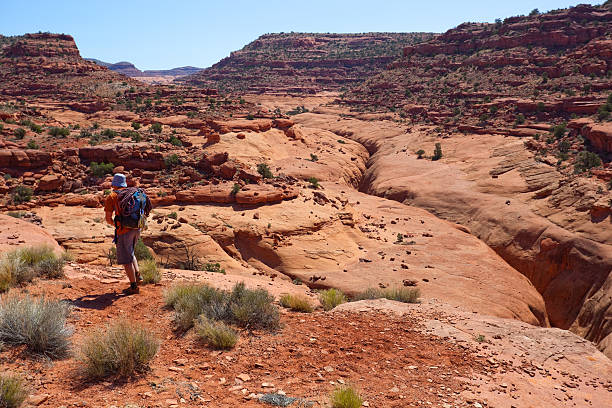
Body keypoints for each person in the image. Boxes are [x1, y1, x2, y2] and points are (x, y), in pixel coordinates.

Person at [104, 173, 143, 295]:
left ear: (114, 184)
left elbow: (108, 218)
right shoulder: (134, 193)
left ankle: (133, 286)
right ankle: (138, 275)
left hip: (124, 230)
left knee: (126, 259)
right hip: (137, 227)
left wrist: (117, 225)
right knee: (130, 251)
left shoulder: (112, 196)